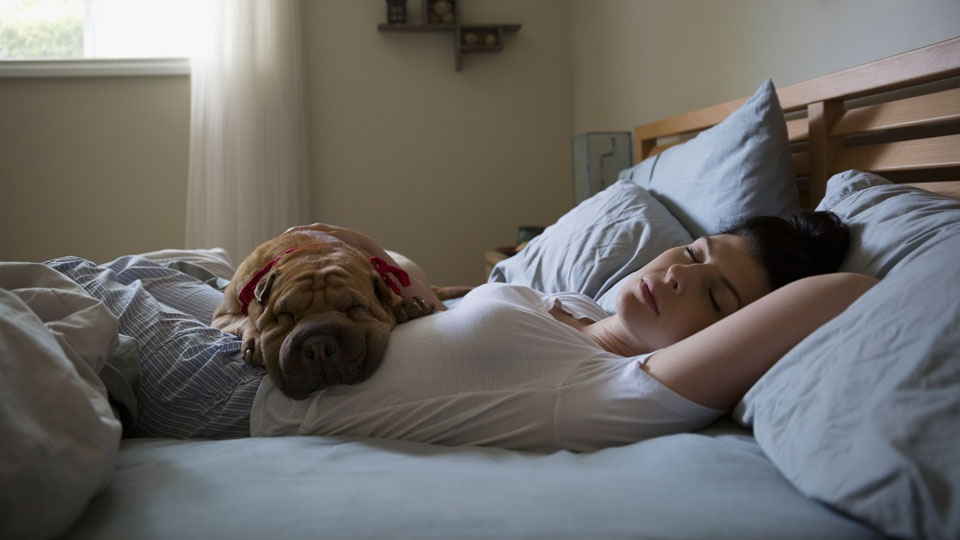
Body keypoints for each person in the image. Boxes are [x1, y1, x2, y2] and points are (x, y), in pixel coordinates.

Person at [44, 211, 877, 451]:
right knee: (163, 266)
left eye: (720, 297)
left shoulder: (625, 394)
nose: (673, 273)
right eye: (689, 250)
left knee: (89, 275)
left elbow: (842, 289)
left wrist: (848, 236)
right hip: (258, 344)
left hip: (234, 394)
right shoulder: (582, 310)